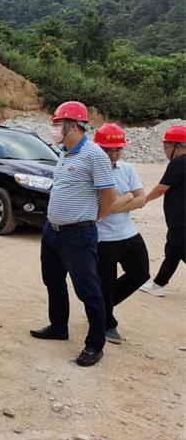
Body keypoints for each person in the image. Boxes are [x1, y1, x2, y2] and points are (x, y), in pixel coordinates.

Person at [30, 101, 116, 367]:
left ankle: (95, 345)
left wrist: (94, 217)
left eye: (58, 124)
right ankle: (58, 327)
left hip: (77, 235)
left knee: (88, 290)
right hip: (52, 232)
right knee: (53, 280)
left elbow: (109, 194)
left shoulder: (94, 155)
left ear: (74, 125)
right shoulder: (65, 152)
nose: (54, 129)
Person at [93, 124, 149, 344]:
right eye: (108, 150)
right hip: (103, 239)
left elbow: (141, 199)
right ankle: (107, 322)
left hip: (128, 233)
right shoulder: (91, 172)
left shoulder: (127, 169)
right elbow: (97, 209)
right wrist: (127, 197)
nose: (114, 155)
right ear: (98, 148)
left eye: (118, 149)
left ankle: (98, 306)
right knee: (106, 282)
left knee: (140, 273)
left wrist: (115, 204)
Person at [139, 125, 186, 297]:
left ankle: (158, 284)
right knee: (172, 252)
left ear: (177, 147)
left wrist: (144, 199)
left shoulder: (178, 163)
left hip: (180, 219)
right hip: (180, 220)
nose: (165, 151)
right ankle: (158, 284)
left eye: (166, 147)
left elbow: (162, 188)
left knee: (179, 249)